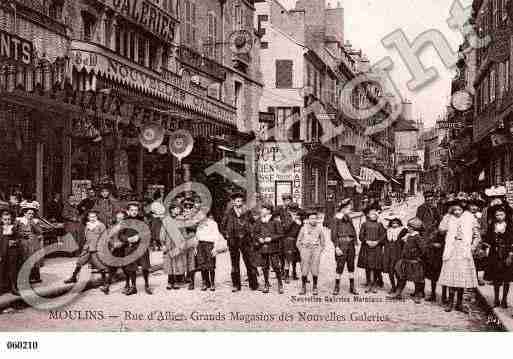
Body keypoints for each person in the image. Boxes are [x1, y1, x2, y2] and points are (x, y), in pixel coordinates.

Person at [438, 199, 480, 313]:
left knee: (462, 276)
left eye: (459, 209)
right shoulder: (449, 218)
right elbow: (441, 230)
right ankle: (450, 302)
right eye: (455, 209)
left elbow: (477, 236)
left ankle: (459, 303)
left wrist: (472, 247)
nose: (457, 212)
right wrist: (446, 218)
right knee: (452, 276)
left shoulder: (470, 218)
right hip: (451, 248)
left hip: (464, 249)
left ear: (463, 209)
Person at [63, 211, 111, 292]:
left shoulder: (101, 225)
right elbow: (86, 236)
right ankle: (74, 277)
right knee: (80, 262)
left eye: (94, 217)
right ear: (88, 218)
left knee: (100, 266)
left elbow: (104, 237)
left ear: (97, 217)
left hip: (96, 248)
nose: (92, 218)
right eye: (90, 217)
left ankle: (105, 283)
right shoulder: (88, 225)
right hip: (88, 247)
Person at [221, 192, 258, 292]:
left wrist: (250, 234)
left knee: (249, 262)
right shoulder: (228, 212)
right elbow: (223, 226)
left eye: (241, 200)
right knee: (234, 264)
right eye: (237, 201)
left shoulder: (247, 211)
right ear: (233, 202)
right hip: (233, 241)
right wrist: (227, 236)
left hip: (245, 240)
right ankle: (236, 285)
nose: (239, 202)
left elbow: (253, 224)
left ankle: (253, 284)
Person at [389, 218, 426, 304]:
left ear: (413, 228)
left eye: (409, 227)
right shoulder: (408, 236)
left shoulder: (417, 237)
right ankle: (398, 293)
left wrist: (417, 255)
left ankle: (417, 295)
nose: (408, 229)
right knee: (402, 278)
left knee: (417, 279)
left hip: (414, 262)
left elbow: (423, 249)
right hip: (406, 261)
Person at [484, 206, 513, 308]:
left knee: (506, 278)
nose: (499, 217)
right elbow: (487, 239)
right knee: (496, 278)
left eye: (501, 214)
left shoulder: (510, 226)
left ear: (505, 215)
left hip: (507, 253)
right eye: (497, 215)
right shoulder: (492, 225)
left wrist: (510, 254)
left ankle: (504, 299)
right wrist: (487, 248)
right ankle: (496, 299)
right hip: (495, 254)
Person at [330, 199, 359, 295]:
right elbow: (333, 234)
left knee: (351, 266)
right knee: (340, 266)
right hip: (341, 244)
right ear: (343, 208)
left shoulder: (349, 218)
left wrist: (356, 244)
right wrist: (336, 247)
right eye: (349, 208)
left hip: (350, 245)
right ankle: (336, 287)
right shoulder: (336, 218)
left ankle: (352, 287)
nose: (350, 210)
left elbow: (353, 231)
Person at [253, 202, 284, 294]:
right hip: (262, 247)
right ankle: (266, 284)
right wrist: (259, 239)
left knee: (275, 266)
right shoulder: (259, 221)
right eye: (262, 209)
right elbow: (254, 233)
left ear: (269, 211)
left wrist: (271, 238)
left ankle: (280, 284)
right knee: (264, 266)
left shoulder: (275, 221)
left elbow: (281, 234)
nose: (261, 210)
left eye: (263, 209)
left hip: (273, 247)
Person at [123, 202, 153, 295]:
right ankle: (133, 287)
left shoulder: (142, 220)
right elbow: (120, 234)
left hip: (141, 246)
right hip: (130, 247)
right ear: (128, 211)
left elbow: (147, 231)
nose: (134, 212)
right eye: (132, 210)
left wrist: (139, 236)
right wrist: (127, 239)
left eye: (136, 210)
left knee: (145, 267)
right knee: (131, 267)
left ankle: (147, 285)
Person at [195, 210, 227, 291]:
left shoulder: (213, 223)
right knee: (202, 265)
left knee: (211, 265)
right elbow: (197, 236)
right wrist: (195, 247)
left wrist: (215, 248)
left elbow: (216, 236)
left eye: (201, 214)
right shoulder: (199, 224)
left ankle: (212, 283)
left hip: (209, 245)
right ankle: (204, 282)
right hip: (200, 245)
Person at [358, 205, 386, 293]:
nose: (374, 215)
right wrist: (367, 241)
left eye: (375, 214)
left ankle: (374, 284)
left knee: (375, 267)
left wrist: (377, 242)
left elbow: (383, 236)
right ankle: (368, 283)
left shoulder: (380, 225)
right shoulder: (364, 224)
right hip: (367, 248)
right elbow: (361, 236)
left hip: (377, 248)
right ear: (368, 215)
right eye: (372, 214)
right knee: (368, 266)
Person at [297, 211, 326, 295]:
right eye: (311, 218)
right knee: (304, 269)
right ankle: (303, 287)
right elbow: (298, 241)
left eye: (315, 218)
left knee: (315, 269)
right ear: (308, 219)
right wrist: (301, 250)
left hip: (315, 249)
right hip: (305, 249)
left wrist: (319, 250)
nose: (313, 220)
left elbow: (323, 242)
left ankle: (315, 287)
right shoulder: (303, 228)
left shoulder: (319, 229)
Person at [15, 201, 43, 284]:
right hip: (23, 242)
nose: (31, 215)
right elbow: (15, 231)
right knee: (24, 258)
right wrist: (21, 234)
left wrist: (33, 224)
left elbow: (39, 231)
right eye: (29, 213)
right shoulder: (19, 221)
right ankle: (26, 277)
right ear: (24, 213)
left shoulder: (35, 221)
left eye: (32, 214)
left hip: (33, 242)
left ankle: (36, 276)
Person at [161, 203, 185, 290]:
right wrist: (163, 244)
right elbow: (163, 232)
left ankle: (176, 281)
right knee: (169, 263)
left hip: (177, 243)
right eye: (176, 209)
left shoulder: (181, 220)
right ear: (172, 210)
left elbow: (183, 232)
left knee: (177, 262)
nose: (178, 210)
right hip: (168, 243)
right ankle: (169, 281)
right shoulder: (166, 220)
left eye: (179, 209)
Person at [382, 216, 407, 294]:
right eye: (393, 223)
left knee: (398, 271)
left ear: (399, 223)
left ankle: (398, 287)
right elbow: (382, 239)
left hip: (398, 253)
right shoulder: (388, 231)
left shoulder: (403, 230)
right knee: (391, 271)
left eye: (396, 223)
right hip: (389, 253)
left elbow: (406, 240)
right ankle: (393, 286)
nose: (394, 224)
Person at [280, 202, 302, 283]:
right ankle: (286, 275)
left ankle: (294, 273)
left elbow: (301, 229)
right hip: (288, 240)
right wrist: (292, 220)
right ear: (289, 210)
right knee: (287, 259)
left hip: (296, 240)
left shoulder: (299, 218)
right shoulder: (286, 218)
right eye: (292, 211)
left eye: (295, 211)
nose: (294, 213)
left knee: (295, 258)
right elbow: (285, 228)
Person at [0, 210, 20, 295]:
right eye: (5, 219)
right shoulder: (0, 229)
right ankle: (1, 288)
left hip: (12, 251)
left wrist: (14, 241)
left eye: (8, 219)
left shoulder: (13, 228)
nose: (7, 221)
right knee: (1, 269)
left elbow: (19, 238)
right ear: (1, 220)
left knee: (12, 269)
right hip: (2, 252)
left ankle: (13, 287)